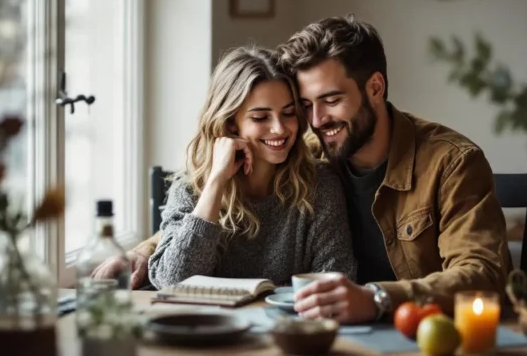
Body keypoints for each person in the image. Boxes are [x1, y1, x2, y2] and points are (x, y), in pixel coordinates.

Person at [274, 15, 512, 324]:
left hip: (424, 336)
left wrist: (377, 298)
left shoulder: (452, 162)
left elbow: (483, 274)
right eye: (306, 105)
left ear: (375, 88)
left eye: (331, 100)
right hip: (328, 334)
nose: (317, 120)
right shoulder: (306, 158)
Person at [92, 45, 356, 288]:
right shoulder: (191, 188)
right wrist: (217, 180)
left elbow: (337, 278)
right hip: (208, 323)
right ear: (231, 123)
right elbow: (173, 281)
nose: (280, 128)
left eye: (288, 113)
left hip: (287, 322)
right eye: (260, 117)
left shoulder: (320, 185)